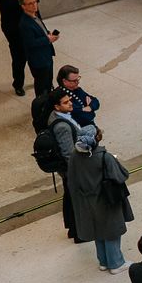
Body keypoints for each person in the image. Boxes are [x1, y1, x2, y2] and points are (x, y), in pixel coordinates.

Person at [68, 129, 133, 272]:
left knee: (97, 231)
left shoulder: (74, 157)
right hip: (106, 200)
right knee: (111, 231)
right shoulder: (104, 157)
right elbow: (121, 175)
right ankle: (116, 263)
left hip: (86, 201)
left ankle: (103, 261)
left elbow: (71, 180)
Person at [45, 88, 93, 242]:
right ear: (57, 107)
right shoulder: (62, 127)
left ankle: (72, 229)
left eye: (69, 100)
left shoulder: (56, 116)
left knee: (69, 198)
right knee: (77, 201)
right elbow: (69, 154)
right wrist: (80, 172)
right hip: (72, 170)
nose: (70, 103)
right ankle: (79, 233)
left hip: (68, 170)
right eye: (66, 102)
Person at [0, 0, 30, 95]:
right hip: (12, 28)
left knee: (33, 53)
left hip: (26, 24)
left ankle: (41, 79)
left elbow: (32, 0)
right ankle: (18, 84)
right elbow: (13, 5)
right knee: (19, 56)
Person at [19, 0, 57, 98]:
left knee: (48, 81)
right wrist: (48, 39)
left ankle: (49, 100)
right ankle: (41, 104)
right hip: (38, 59)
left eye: (35, 2)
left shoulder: (35, 16)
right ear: (23, 6)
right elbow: (30, 43)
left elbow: (40, 30)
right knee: (41, 85)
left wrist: (47, 33)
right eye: (30, 4)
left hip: (46, 55)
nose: (34, 5)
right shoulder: (25, 23)